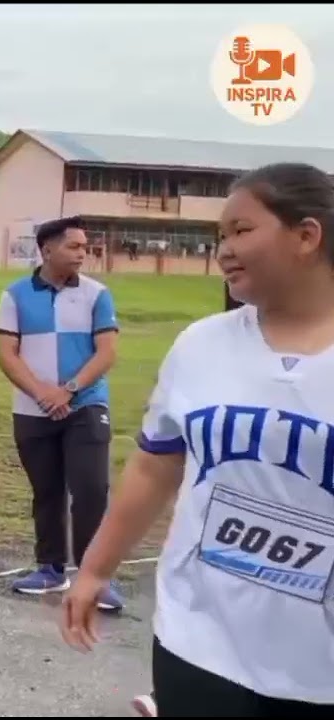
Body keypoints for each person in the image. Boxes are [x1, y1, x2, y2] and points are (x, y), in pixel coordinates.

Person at [62, 162, 334, 716]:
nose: (223, 250)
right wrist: (95, 568)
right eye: (219, 236)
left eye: (241, 230)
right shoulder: (201, 345)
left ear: (307, 235)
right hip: (198, 640)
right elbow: (153, 466)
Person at [0, 215, 124, 610]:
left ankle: (94, 578)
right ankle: (50, 568)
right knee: (47, 491)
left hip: (86, 404)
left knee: (91, 489)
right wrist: (42, 394)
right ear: (47, 250)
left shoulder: (97, 295)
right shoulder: (14, 295)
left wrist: (68, 390)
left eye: (85, 246)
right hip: (32, 409)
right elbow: (5, 354)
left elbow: (107, 353)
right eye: (74, 246)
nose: (83, 253)